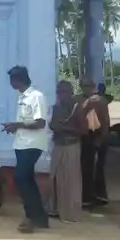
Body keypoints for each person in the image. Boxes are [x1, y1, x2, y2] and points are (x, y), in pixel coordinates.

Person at [1, 65, 49, 233]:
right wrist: (14, 127)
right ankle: (40, 217)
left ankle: (30, 217)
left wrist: (18, 125)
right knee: (27, 179)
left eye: (12, 80)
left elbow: (40, 123)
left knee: (20, 178)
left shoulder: (36, 96)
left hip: (33, 144)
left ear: (18, 80)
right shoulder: (22, 97)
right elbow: (25, 122)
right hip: (21, 143)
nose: (11, 83)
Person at [46, 80, 86, 223]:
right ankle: (54, 208)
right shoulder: (56, 108)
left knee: (70, 180)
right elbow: (52, 124)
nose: (60, 95)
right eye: (58, 92)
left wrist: (64, 129)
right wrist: (54, 126)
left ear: (71, 93)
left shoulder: (77, 108)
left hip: (71, 146)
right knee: (55, 177)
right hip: (58, 145)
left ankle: (70, 213)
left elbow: (84, 130)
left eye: (63, 92)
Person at [77, 77, 110, 208]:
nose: (85, 88)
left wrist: (100, 140)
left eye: (88, 86)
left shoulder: (99, 101)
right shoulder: (78, 99)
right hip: (84, 137)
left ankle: (98, 196)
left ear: (92, 86)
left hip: (97, 136)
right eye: (83, 86)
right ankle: (86, 197)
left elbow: (105, 122)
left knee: (97, 168)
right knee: (85, 168)